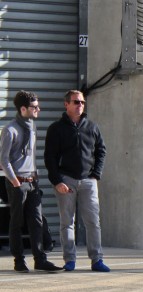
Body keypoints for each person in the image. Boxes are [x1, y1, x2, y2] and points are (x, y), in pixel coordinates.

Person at [44, 90, 109, 272]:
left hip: (88, 181)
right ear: (66, 104)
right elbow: (50, 157)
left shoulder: (92, 127)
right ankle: (69, 260)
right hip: (66, 180)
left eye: (81, 102)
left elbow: (101, 151)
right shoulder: (56, 129)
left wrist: (96, 174)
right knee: (67, 222)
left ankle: (97, 260)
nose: (80, 105)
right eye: (75, 102)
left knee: (93, 222)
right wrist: (57, 181)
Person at [0, 91, 62, 272]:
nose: (38, 110)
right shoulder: (10, 130)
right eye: (35, 107)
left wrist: (35, 177)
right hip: (16, 182)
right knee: (17, 222)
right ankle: (19, 260)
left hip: (33, 182)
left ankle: (40, 259)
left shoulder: (32, 127)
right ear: (23, 109)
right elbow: (3, 160)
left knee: (37, 221)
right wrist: (15, 182)